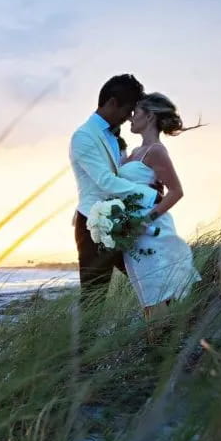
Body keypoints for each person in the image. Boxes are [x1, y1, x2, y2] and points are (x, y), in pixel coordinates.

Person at [69, 74, 158, 303]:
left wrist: (147, 181)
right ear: (112, 103)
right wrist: (150, 194)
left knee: (153, 283)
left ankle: (161, 333)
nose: (129, 118)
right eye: (128, 110)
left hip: (125, 223)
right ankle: (86, 341)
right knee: (93, 301)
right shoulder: (84, 136)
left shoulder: (116, 136)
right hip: (94, 227)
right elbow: (105, 181)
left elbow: (121, 173)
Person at [119, 92, 201, 316]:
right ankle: (158, 346)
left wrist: (145, 220)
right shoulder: (133, 153)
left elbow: (176, 191)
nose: (131, 118)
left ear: (149, 117)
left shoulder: (155, 151)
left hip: (150, 230)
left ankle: (162, 348)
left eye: (136, 113)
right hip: (133, 236)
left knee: (156, 298)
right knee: (147, 299)